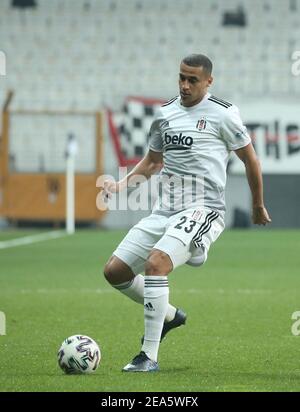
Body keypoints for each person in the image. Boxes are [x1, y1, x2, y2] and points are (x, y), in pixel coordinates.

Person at [103, 53, 271, 372]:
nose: (184, 85)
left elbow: (251, 160)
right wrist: (122, 186)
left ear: (209, 81)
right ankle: (168, 314)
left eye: (192, 79)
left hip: (203, 209)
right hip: (165, 211)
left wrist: (257, 204)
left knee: (156, 264)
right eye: (181, 77)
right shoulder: (165, 113)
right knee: (115, 272)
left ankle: (148, 356)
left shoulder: (224, 114)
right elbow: (153, 162)